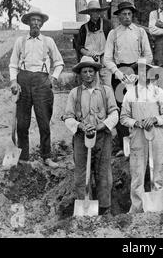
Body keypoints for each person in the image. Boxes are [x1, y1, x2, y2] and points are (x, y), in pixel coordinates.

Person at [62, 56, 119, 216]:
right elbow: (67, 117)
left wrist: (101, 125)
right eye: (84, 71)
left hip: (102, 137)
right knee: (81, 174)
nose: (88, 74)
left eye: (91, 71)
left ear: (96, 73)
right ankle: (86, 211)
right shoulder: (74, 93)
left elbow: (114, 113)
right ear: (80, 74)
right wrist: (80, 126)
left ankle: (105, 208)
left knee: (103, 174)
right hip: (81, 138)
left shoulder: (106, 91)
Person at [9, 7, 64, 168]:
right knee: (22, 123)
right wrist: (13, 82)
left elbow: (59, 62)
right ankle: (23, 157)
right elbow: (13, 64)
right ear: (28, 23)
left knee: (44, 122)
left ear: (41, 23)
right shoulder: (20, 41)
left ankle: (46, 156)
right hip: (23, 81)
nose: (35, 23)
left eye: (38, 21)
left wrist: (53, 78)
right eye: (32, 20)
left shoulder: (48, 41)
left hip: (42, 83)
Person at [119, 60, 163, 213]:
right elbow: (124, 118)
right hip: (138, 135)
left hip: (157, 134)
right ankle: (137, 208)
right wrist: (136, 123)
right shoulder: (129, 93)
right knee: (137, 171)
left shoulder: (158, 92)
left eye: (146, 71)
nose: (143, 74)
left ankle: (157, 206)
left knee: (158, 167)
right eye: (140, 71)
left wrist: (155, 119)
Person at [103, 1, 153, 152]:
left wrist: (136, 71)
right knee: (121, 107)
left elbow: (148, 55)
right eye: (123, 14)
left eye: (129, 14)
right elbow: (107, 58)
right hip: (120, 73)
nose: (126, 17)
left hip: (137, 71)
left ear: (132, 15)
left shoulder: (139, 32)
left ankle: (142, 142)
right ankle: (124, 145)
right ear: (118, 17)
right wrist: (118, 73)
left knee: (141, 105)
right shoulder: (113, 33)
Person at [76, 0, 112, 86]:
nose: (96, 14)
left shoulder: (107, 25)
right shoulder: (84, 28)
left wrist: (107, 54)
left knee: (107, 85)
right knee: (93, 85)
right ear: (89, 13)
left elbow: (112, 42)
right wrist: (88, 54)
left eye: (97, 11)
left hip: (105, 58)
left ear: (100, 12)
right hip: (90, 60)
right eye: (93, 12)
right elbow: (79, 46)